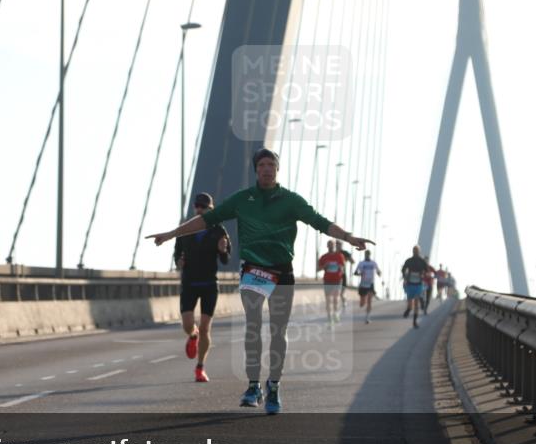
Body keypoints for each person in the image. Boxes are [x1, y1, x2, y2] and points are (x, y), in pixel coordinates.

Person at [148, 148, 373, 414]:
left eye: (271, 165)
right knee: (253, 325)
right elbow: (206, 221)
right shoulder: (243, 199)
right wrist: (171, 234)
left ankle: (274, 386)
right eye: (262, 165)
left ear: (277, 169)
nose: (267, 169)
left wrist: (348, 237)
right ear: (256, 170)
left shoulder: (291, 200)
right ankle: (253, 386)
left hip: (282, 272)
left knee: (278, 331)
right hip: (253, 270)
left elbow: (320, 222)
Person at [173, 193, 230, 383]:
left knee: (206, 328)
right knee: (188, 324)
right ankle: (192, 335)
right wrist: (179, 262)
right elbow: (177, 256)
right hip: (189, 283)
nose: (199, 209)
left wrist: (222, 250)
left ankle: (200, 368)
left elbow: (225, 259)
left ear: (210, 209)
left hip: (209, 285)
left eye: (203, 207)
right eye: (197, 206)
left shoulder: (218, 230)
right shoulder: (185, 231)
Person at [401, 246, 432, 329]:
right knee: (410, 303)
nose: (415, 252)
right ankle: (408, 309)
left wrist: (424, 274)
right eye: (414, 250)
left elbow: (427, 271)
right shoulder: (409, 261)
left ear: (419, 251)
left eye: (416, 251)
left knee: (416, 303)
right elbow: (403, 269)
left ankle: (414, 321)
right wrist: (405, 276)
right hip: (410, 284)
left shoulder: (422, 261)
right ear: (412, 251)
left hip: (418, 284)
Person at [317, 240, 346, 323]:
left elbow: (343, 269)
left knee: (335, 298)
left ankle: (335, 314)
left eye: (332, 245)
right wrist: (324, 266)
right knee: (328, 299)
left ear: (334, 246)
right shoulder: (324, 257)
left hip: (337, 280)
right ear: (327, 246)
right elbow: (318, 269)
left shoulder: (339, 256)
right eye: (329, 245)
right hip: (327, 280)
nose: (331, 247)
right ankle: (329, 316)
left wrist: (340, 268)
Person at [354, 250, 382, 324]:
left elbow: (378, 270)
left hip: (370, 284)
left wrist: (379, 273)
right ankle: (363, 301)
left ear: (370, 255)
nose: (367, 255)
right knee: (362, 303)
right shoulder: (361, 263)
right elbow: (355, 272)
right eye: (366, 254)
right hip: (363, 284)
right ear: (364, 255)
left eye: (368, 254)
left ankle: (367, 317)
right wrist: (360, 273)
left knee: (370, 301)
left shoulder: (373, 263)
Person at [335, 239, 355, 309]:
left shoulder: (345, 253)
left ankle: (344, 301)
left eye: (339, 244)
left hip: (342, 275)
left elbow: (353, 261)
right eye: (336, 244)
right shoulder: (333, 253)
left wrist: (347, 259)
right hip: (334, 275)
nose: (337, 245)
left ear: (341, 245)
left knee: (341, 293)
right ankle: (336, 307)